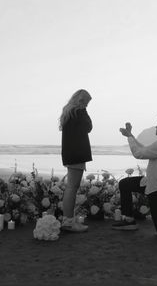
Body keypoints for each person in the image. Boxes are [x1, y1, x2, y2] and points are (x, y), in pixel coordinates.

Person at [59, 89, 93, 232]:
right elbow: (89, 127)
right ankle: (68, 222)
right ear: (81, 100)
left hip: (70, 153)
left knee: (71, 187)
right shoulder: (79, 112)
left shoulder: (68, 112)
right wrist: (84, 110)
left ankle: (68, 220)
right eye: (86, 102)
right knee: (72, 188)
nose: (86, 105)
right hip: (77, 153)